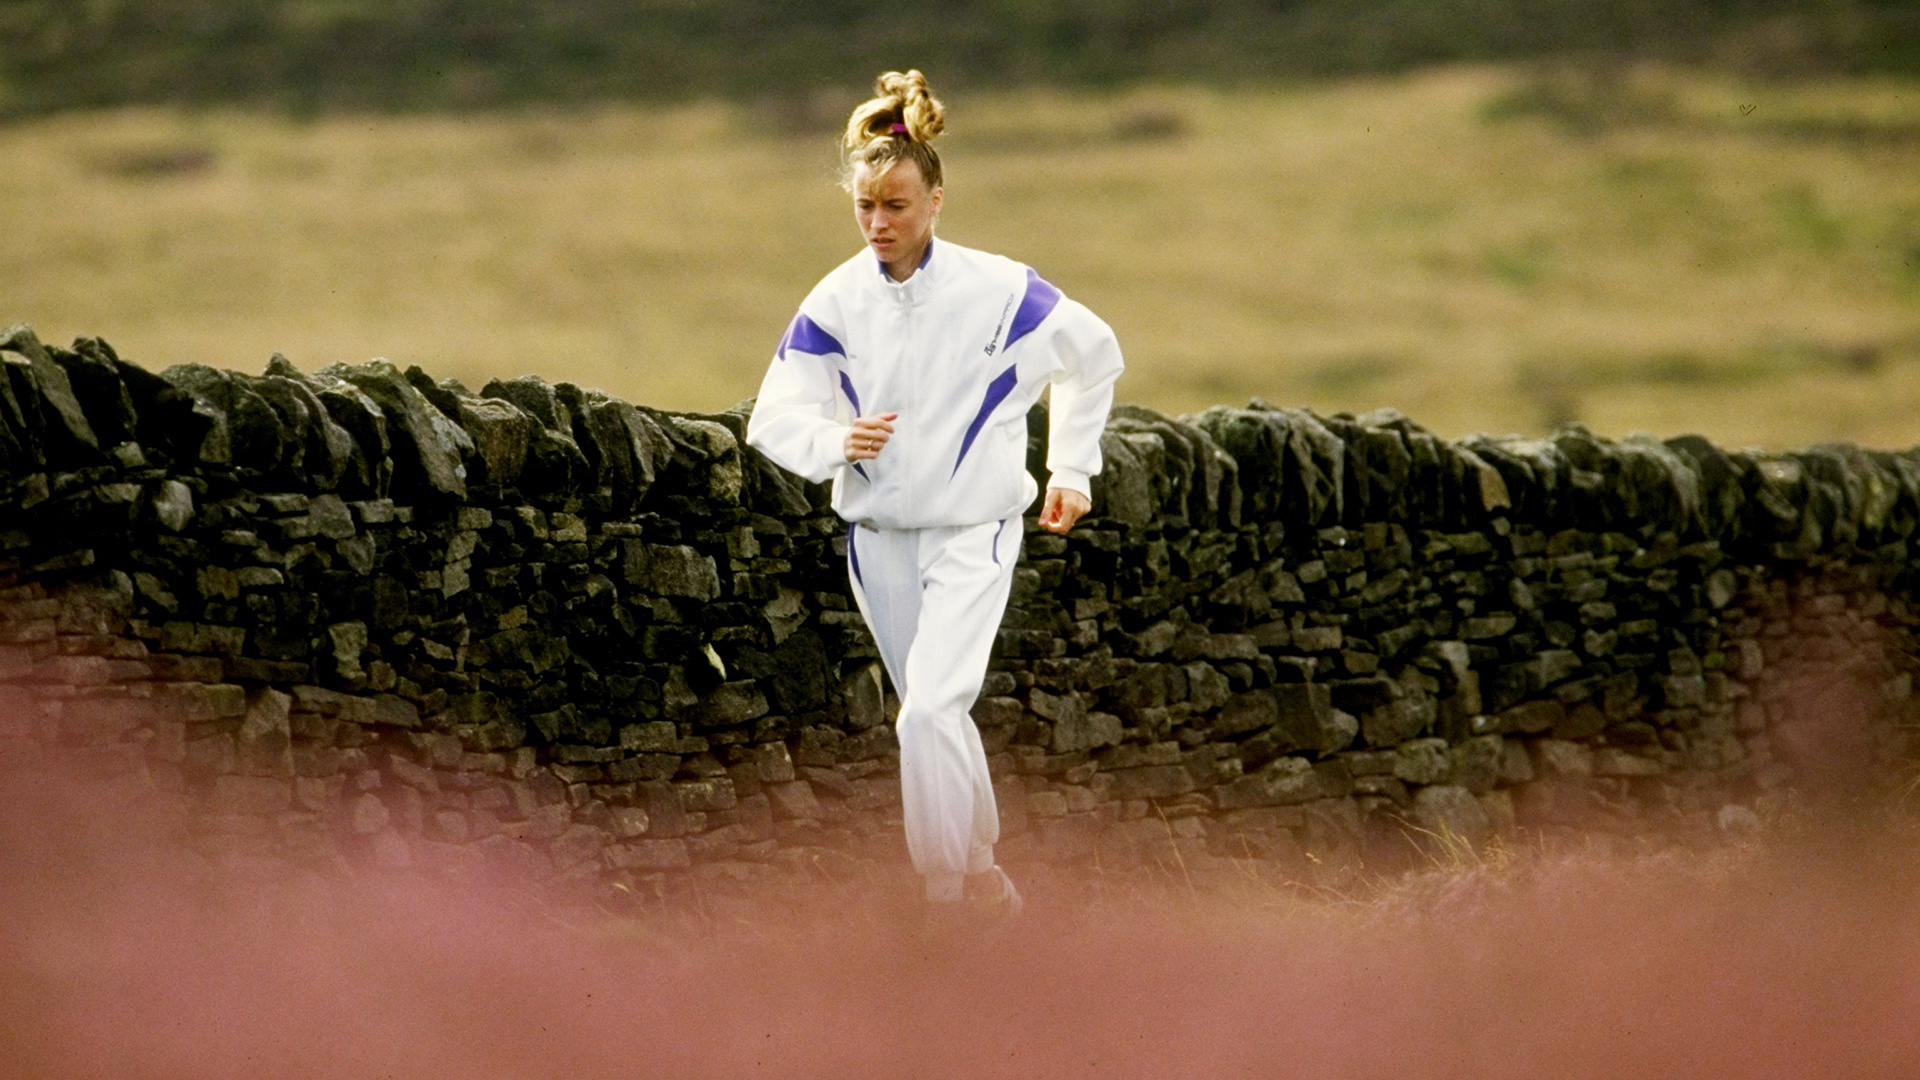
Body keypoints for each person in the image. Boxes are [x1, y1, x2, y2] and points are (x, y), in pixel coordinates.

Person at [745, 70, 1124, 918]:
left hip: (975, 531)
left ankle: (945, 902)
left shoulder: (1002, 289)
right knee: (933, 715)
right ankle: (988, 878)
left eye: (897, 206)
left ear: (938, 199)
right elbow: (773, 418)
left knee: (925, 716)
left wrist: (1070, 471)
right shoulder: (834, 300)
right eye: (865, 208)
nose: (879, 225)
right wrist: (835, 443)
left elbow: (1093, 355)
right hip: (876, 540)